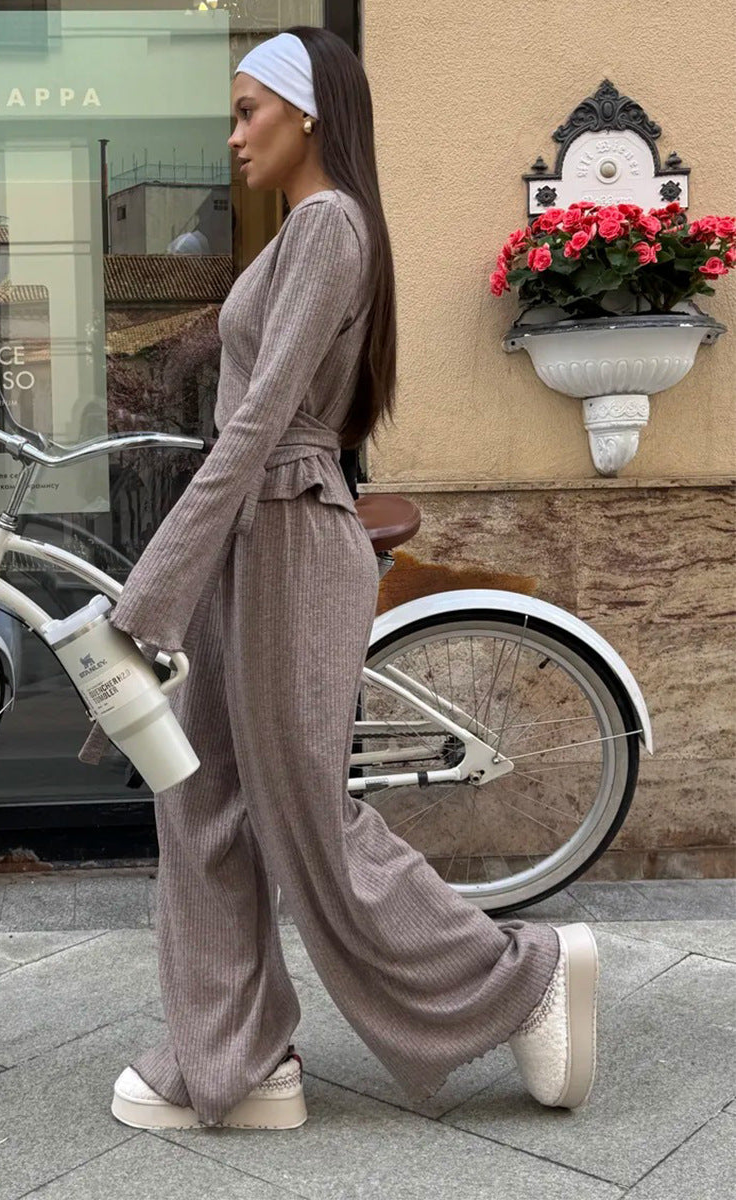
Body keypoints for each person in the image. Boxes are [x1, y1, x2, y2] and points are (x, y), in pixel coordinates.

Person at [101, 27, 599, 1131]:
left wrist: (153, 590)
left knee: (306, 824)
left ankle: (525, 973)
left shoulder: (329, 224)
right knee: (200, 799)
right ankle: (242, 1058)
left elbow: (263, 419)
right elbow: (249, 393)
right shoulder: (302, 238)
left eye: (248, 111)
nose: (234, 137)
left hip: (283, 537)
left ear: (309, 113)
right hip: (257, 536)